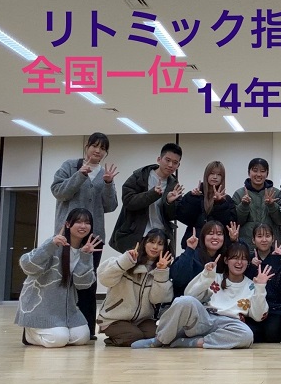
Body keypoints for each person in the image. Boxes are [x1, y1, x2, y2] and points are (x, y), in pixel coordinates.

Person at [131, 241, 274, 349]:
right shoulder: (215, 277)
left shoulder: (251, 285)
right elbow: (190, 294)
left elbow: (258, 316)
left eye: (243, 259)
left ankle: (191, 343)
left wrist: (260, 287)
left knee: (247, 335)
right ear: (226, 260)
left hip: (229, 324)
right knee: (183, 300)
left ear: (248, 262)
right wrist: (206, 276)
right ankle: (159, 340)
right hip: (205, 318)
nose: (239, 262)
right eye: (234, 258)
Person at [50, 132, 118, 339]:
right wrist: (79, 175)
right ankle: (59, 323)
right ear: (87, 146)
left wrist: (108, 184)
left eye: (102, 148)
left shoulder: (104, 174)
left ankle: (87, 328)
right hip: (67, 235)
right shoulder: (70, 166)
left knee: (88, 280)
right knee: (63, 277)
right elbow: (59, 192)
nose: (98, 151)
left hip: (93, 237)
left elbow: (110, 206)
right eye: (94, 146)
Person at [15, 208, 101, 347]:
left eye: (87, 222)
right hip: (41, 305)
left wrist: (85, 257)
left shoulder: (85, 249)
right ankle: (29, 334)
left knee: (82, 337)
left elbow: (82, 284)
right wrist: (51, 245)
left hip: (67, 309)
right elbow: (28, 266)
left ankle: (58, 331)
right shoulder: (54, 243)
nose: (83, 226)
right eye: (78, 222)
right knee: (58, 339)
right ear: (67, 224)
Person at [97, 229, 174, 346]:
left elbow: (157, 299)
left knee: (159, 334)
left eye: (160, 244)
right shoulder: (128, 260)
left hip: (141, 320)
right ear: (144, 243)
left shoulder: (161, 269)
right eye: (151, 242)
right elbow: (104, 279)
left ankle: (127, 335)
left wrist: (161, 272)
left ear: (165, 248)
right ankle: (114, 339)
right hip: (113, 318)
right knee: (134, 336)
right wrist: (125, 261)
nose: (155, 247)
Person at [110, 143, 184, 254]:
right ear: (159, 159)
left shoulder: (174, 185)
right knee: (132, 265)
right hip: (136, 235)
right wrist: (152, 194)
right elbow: (128, 201)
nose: (170, 165)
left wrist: (169, 203)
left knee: (160, 265)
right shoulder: (140, 176)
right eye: (167, 160)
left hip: (160, 236)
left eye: (175, 162)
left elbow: (172, 216)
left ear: (178, 165)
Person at [176, 160, 236, 250]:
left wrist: (220, 203)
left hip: (217, 247)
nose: (215, 177)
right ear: (206, 175)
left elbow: (230, 224)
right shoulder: (195, 195)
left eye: (219, 174)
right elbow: (183, 217)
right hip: (195, 244)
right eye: (212, 173)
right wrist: (193, 198)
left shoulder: (226, 199)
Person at [244, 223, 281, 343]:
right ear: (253, 240)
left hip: (274, 307)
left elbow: (280, 284)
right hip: (252, 307)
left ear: (273, 238)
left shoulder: (280, 257)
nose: (264, 240)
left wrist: (276, 261)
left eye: (267, 236)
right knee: (252, 335)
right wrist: (251, 266)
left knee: (273, 335)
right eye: (259, 236)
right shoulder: (248, 259)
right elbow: (245, 284)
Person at [232, 158, 281, 250]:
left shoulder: (276, 193)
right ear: (249, 172)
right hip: (246, 248)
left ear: (267, 174)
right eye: (255, 171)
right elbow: (236, 222)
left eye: (262, 171)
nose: (258, 174)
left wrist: (272, 205)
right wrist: (244, 205)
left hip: (271, 248)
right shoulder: (239, 194)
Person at [170, 221, 228, 298]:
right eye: (210, 233)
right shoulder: (192, 255)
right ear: (203, 237)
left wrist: (235, 240)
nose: (215, 237)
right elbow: (179, 279)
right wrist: (190, 249)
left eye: (219, 234)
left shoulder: (225, 259)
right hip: (188, 301)